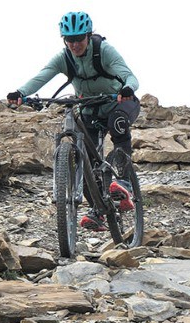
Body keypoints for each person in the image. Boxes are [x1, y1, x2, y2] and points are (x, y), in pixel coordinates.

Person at [8, 12, 141, 230]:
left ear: (88, 35)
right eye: (69, 40)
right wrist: (21, 93)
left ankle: (125, 181)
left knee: (118, 122)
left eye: (79, 38)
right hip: (90, 108)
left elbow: (130, 76)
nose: (74, 44)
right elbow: (43, 76)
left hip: (118, 103)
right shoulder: (64, 58)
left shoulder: (103, 51)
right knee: (87, 161)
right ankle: (99, 211)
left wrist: (127, 88)